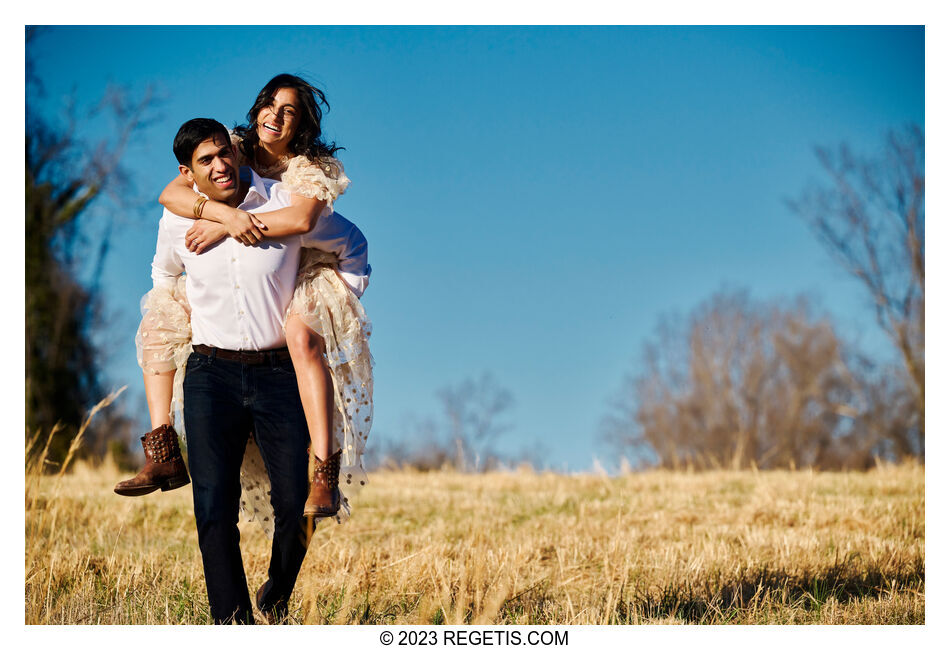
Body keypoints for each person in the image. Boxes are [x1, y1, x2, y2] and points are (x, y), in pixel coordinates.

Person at [115, 74, 372, 526]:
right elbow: (172, 193)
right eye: (269, 105)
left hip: (309, 259)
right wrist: (224, 216)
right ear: (255, 111)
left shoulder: (306, 170)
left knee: (300, 335)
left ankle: (324, 471)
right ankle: (162, 447)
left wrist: (229, 224)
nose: (276, 115)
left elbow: (302, 217)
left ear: (302, 126)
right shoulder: (231, 147)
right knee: (163, 308)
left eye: (289, 111)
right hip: (248, 240)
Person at [149, 117, 366, 623]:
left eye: (225, 151)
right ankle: (232, 621)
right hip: (210, 374)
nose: (220, 164)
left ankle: (279, 592)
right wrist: (173, 319)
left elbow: (354, 247)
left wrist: (322, 307)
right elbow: (162, 275)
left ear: (238, 152)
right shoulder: (178, 222)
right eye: (206, 160)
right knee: (212, 507)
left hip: (279, 373)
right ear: (188, 172)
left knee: (299, 503)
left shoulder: (280, 204)